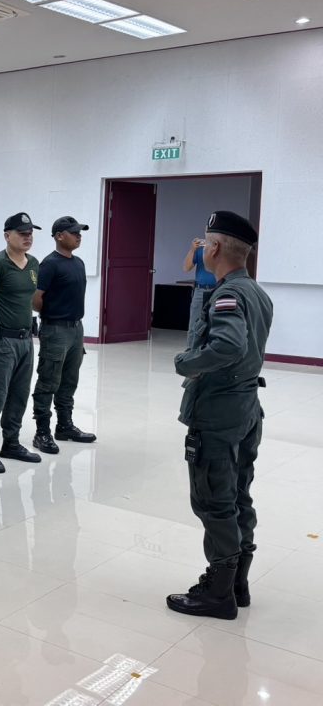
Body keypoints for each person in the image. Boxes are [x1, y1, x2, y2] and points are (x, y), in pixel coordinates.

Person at [167, 211, 271, 620]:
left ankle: (218, 592)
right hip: (246, 407)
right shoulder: (256, 291)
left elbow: (228, 345)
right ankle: (237, 582)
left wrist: (187, 363)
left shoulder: (228, 294)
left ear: (214, 248)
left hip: (218, 411)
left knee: (214, 499)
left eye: (206, 242)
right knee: (238, 492)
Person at [0, 212, 44, 472]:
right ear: (7, 236)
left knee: (19, 394)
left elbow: (31, 298)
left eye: (30, 233)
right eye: (22, 233)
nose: (28, 237)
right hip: (1, 341)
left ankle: (11, 442)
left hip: (26, 341)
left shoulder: (33, 263)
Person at [31, 216, 97, 455]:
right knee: (48, 380)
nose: (79, 236)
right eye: (74, 232)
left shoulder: (78, 263)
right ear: (59, 236)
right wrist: (51, 315)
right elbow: (36, 299)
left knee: (69, 380)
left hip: (76, 329)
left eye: (80, 232)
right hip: (55, 329)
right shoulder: (50, 264)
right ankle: (42, 432)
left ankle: (64, 425)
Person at [183, 235, 218, 350]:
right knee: (195, 322)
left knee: (216, 322)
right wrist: (192, 249)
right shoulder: (200, 248)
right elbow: (186, 268)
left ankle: (211, 350)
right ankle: (190, 351)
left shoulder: (221, 248)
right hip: (200, 289)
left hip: (218, 289)